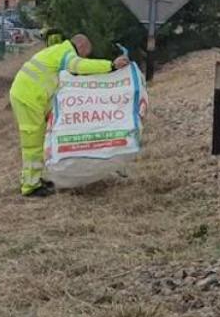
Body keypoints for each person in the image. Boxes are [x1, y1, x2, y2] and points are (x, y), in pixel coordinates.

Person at [8, 33, 129, 197]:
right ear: (81, 46)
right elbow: (79, 66)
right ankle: (30, 186)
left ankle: (34, 179)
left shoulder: (58, 51)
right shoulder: (67, 54)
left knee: (39, 140)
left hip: (30, 96)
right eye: (86, 53)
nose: (85, 56)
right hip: (29, 99)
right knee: (33, 144)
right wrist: (111, 66)